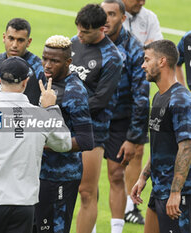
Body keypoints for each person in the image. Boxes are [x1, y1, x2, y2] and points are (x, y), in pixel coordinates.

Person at [0, 56, 72, 233]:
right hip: (23, 206)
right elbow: (64, 143)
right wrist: (50, 109)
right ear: (26, 82)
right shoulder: (39, 117)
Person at [70, 4, 123, 233]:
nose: (80, 35)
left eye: (85, 32)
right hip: (62, 123)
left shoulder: (112, 57)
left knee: (86, 191)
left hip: (93, 130)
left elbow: (100, 100)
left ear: (102, 29)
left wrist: (65, 109)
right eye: (79, 30)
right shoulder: (73, 42)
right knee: (58, 186)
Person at [35, 35, 94, 233]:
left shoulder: (74, 91)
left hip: (61, 177)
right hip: (35, 174)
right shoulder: (41, 78)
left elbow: (86, 140)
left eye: (54, 61)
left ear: (68, 62)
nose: (47, 65)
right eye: (45, 58)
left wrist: (46, 143)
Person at [131, 39, 191, 233]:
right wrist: (143, 177)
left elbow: (186, 147)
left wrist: (176, 192)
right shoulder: (159, 96)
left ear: (162, 61)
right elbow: (162, 145)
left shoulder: (181, 100)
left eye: (147, 60)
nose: (143, 65)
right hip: (159, 188)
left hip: (177, 194)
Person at [100, 0, 150, 231]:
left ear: (122, 18)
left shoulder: (134, 49)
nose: (106, 19)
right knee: (84, 183)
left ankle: (116, 229)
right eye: (103, 14)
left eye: (112, 14)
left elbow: (141, 97)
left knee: (116, 175)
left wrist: (134, 137)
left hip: (119, 122)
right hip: (91, 120)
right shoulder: (86, 42)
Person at [121, 0, 163, 224]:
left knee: (137, 150)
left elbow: (155, 51)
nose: (141, 1)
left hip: (138, 94)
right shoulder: (106, 11)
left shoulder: (149, 17)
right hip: (113, 97)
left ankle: (130, 207)